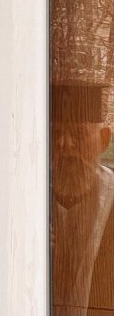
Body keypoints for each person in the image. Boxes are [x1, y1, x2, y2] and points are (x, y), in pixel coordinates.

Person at [51, 83, 114, 316]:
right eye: (56, 134)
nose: (65, 145)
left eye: (78, 134)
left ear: (104, 140)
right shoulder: (30, 197)